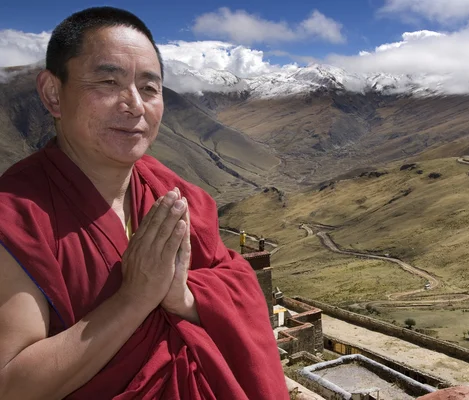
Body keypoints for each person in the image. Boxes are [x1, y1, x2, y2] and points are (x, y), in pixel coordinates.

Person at [0, 7, 287, 400]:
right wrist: (134, 299)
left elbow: (237, 287)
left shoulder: (177, 197)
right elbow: (12, 384)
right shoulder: (15, 216)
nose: (134, 105)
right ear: (53, 93)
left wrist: (184, 298)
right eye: (107, 81)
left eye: (150, 89)